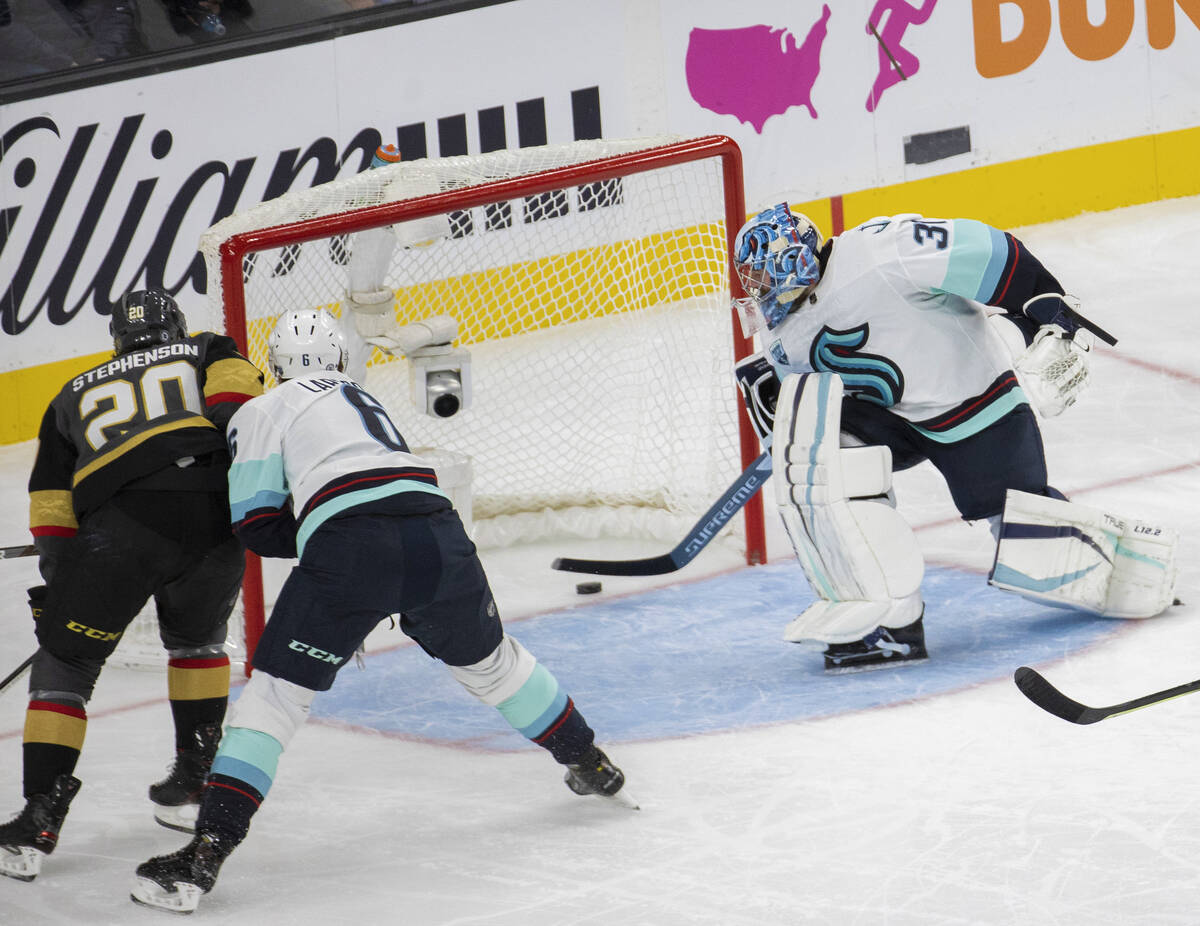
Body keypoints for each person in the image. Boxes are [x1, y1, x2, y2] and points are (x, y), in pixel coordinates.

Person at [130, 308, 633, 915]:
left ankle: (202, 857)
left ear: (276, 367)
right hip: (439, 532)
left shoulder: (264, 408)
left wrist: (332, 550)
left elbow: (258, 526)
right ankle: (589, 760)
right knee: (495, 667)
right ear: (339, 359)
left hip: (349, 550)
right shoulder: (360, 396)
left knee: (277, 699)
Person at [731, 205, 1179, 673]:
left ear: (794, 262)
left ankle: (1138, 574)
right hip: (890, 420)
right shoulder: (784, 332)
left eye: (760, 276)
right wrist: (789, 429)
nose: (755, 291)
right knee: (828, 461)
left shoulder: (877, 252)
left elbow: (990, 252)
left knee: (1032, 544)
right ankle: (889, 621)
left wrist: (1039, 301)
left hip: (971, 399)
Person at [0, 290, 264, 882]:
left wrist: (60, 582)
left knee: (66, 663)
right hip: (220, 521)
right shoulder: (207, 348)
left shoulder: (70, 394)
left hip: (122, 533)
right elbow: (240, 407)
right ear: (176, 326)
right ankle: (195, 775)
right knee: (198, 643)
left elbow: (50, 507)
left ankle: (39, 815)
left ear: (117, 339)